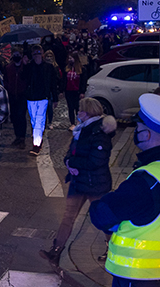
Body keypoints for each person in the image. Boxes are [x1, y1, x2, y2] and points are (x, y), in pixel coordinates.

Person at [91, 94, 160, 287]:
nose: (135, 132)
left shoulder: (147, 182)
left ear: (148, 133)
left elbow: (100, 214)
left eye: (138, 127)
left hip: (136, 277)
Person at [41, 98, 114, 267]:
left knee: (104, 219)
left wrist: (73, 164)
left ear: (87, 112)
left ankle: (112, 249)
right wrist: (68, 161)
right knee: (68, 217)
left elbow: (97, 161)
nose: (78, 113)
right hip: (79, 182)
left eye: (80, 110)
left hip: (96, 184)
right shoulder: (81, 130)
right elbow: (71, 152)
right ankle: (56, 251)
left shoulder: (99, 133)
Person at [21, 48, 56, 155]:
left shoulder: (48, 67)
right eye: (35, 54)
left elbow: (53, 82)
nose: (37, 56)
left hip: (43, 97)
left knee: (39, 120)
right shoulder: (30, 67)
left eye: (39, 54)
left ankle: (36, 144)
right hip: (31, 97)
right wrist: (25, 64)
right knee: (33, 120)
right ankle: (37, 137)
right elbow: (23, 78)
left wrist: (55, 97)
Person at [62, 55, 84, 125]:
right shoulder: (66, 69)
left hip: (77, 91)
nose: (69, 59)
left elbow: (83, 81)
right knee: (70, 107)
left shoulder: (82, 69)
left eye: (71, 58)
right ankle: (72, 123)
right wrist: (62, 90)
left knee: (78, 108)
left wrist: (82, 91)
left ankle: (79, 122)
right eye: (69, 58)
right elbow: (64, 80)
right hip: (68, 91)